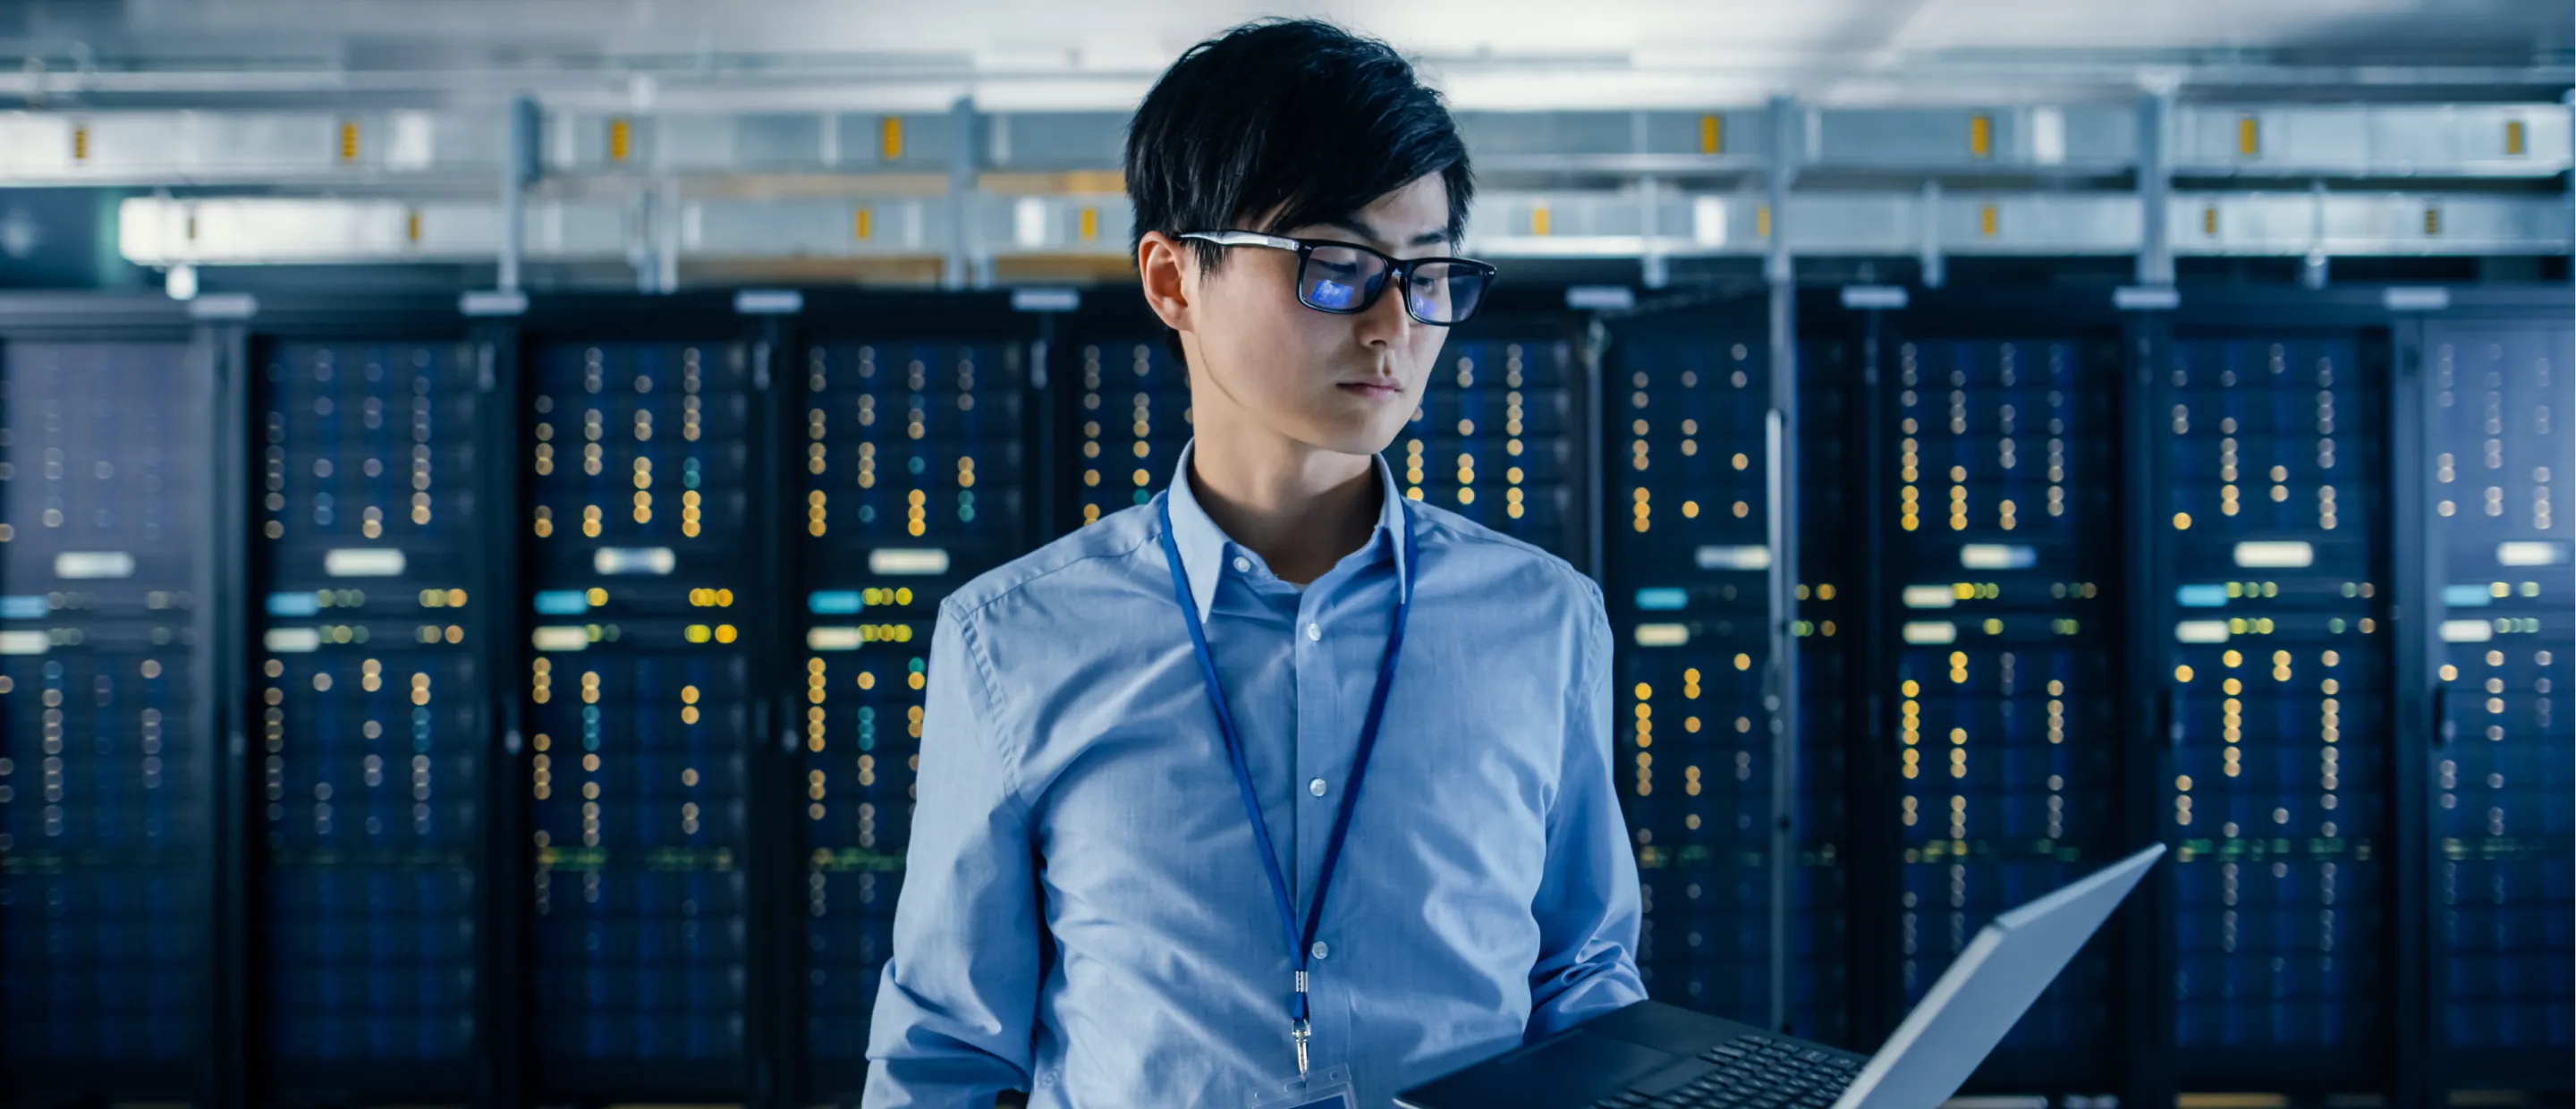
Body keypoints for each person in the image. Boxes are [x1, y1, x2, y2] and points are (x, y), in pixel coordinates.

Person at [863, 19, 1643, 1108]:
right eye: (1336, 269)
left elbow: (1584, 984)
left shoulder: (1544, 619)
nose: (1392, 327)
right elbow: (946, 1053)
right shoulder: (1016, 639)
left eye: (1427, 278)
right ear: (1173, 279)